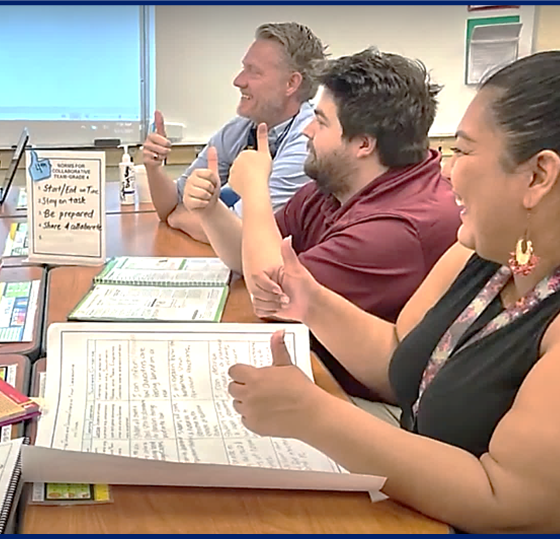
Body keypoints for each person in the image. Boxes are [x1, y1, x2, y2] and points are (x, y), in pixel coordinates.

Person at [227, 42, 560, 533]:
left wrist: (315, 416)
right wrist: (313, 303)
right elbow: (402, 357)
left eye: (465, 150)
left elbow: (508, 502)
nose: (446, 169)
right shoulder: (501, 246)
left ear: (539, 175)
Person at [192, 49, 460, 399]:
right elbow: (253, 256)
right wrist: (211, 211)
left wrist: (256, 187)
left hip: (370, 403)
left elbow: (270, 295)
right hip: (321, 364)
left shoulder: (397, 227)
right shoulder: (339, 182)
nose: (306, 130)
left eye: (320, 120)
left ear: (363, 143)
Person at [140, 22, 325, 243]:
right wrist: (154, 168)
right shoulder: (241, 128)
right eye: (243, 68)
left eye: (253, 72)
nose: (238, 81)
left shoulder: (310, 140)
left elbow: (243, 232)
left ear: (291, 83)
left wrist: (179, 218)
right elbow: (174, 204)